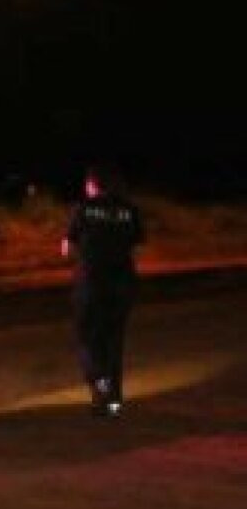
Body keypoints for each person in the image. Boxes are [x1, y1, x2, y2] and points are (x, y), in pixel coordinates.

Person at [60, 166, 142, 417]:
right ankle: (114, 400)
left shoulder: (83, 209)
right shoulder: (129, 210)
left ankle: (101, 390)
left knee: (87, 340)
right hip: (122, 284)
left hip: (92, 284)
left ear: (92, 185)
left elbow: (67, 249)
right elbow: (136, 247)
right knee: (113, 341)